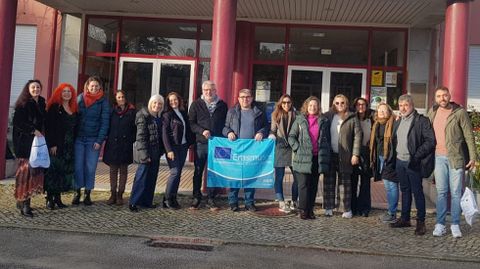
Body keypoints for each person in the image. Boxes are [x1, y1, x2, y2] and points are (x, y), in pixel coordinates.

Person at [428, 86, 477, 238]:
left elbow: (469, 135)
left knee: (456, 193)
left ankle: (455, 224)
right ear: (435, 98)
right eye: (438, 96)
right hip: (438, 157)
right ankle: (440, 224)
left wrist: (473, 157)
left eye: (444, 95)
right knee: (441, 192)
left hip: (455, 158)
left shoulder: (459, 112)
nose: (442, 98)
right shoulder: (432, 112)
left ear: (449, 96)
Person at [390, 94, 435, 236]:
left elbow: (430, 141)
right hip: (400, 161)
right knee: (405, 190)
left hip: (413, 162)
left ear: (412, 105)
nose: (403, 108)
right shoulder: (398, 121)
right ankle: (405, 218)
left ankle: (420, 222)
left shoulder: (422, 121)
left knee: (417, 192)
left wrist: (416, 156)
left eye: (406, 105)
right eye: (400, 105)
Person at [223, 88, 269, 212]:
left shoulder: (258, 112)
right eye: (242, 97)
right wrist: (229, 132)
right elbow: (225, 127)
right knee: (234, 177)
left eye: (247, 97)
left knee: (250, 177)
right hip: (236, 150)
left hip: (252, 150)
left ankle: (249, 202)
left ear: (251, 98)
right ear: (238, 99)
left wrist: (261, 132)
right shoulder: (232, 112)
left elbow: (266, 126)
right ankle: (233, 202)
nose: (245, 99)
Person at [288, 96, 330, 219]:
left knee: (313, 185)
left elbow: (326, 139)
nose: (313, 107)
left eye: (315, 105)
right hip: (301, 157)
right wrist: (297, 148)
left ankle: (310, 210)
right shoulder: (299, 120)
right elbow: (291, 136)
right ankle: (303, 210)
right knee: (303, 185)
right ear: (306, 106)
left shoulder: (323, 121)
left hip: (317, 158)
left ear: (318, 107)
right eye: (310, 105)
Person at [188, 80, 228, 210]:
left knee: (214, 172)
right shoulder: (196, 104)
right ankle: (196, 197)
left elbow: (226, 123)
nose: (209, 92)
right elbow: (191, 123)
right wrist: (202, 131)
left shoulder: (222, 105)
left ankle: (211, 198)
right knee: (198, 171)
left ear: (215, 91)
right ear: (202, 91)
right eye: (206, 90)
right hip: (202, 143)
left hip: (218, 143)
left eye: (211, 90)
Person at [73, 76, 110, 206]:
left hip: (93, 139)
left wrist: (99, 140)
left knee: (90, 167)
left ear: (100, 87)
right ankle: (77, 191)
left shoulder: (103, 102)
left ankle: (87, 193)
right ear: (87, 86)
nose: (94, 88)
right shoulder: (80, 98)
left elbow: (105, 122)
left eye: (96, 86)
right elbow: (73, 117)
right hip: (79, 139)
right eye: (91, 86)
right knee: (78, 166)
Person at [323, 94, 362, 218]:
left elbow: (358, 136)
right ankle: (328, 207)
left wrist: (355, 154)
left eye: (342, 103)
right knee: (329, 181)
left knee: (344, 183)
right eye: (337, 103)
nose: (340, 105)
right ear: (333, 104)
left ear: (346, 104)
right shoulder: (328, 116)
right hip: (330, 153)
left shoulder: (352, 117)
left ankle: (345, 208)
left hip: (345, 155)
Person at [12, 79, 46, 217]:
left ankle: (22, 201)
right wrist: (33, 130)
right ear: (28, 89)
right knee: (25, 174)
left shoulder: (42, 103)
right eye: (33, 87)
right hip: (25, 143)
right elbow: (18, 123)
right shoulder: (23, 103)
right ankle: (24, 204)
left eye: (38, 87)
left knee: (33, 174)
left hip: (37, 144)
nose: (36, 89)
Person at [44, 83, 78, 210]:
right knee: (53, 171)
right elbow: (49, 127)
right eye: (64, 91)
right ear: (59, 93)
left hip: (69, 145)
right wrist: (52, 144)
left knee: (63, 172)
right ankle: (49, 199)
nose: (67, 93)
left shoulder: (73, 108)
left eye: (69, 91)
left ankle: (58, 199)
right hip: (57, 145)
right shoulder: (54, 107)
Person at [129, 94, 165, 212]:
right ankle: (134, 202)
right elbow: (141, 137)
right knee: (141, 178)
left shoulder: (158, 117)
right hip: (145, 152)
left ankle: (146, 202)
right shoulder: (143, 116)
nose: (157, 105)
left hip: (155, 152)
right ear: (150, 103)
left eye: (160, 104)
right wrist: (145, 155)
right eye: (155, 103)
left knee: (151, 178)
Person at [103, 90, 136, 205]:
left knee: (123, 171)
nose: (121, 99)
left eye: (122, 97)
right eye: (118, 97)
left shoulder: (131, 112)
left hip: (125, 145)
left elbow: (135, 128)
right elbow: (107, 125)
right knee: (112, 171)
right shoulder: (111, 111)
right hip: (113, 144)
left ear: (125, 98)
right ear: (115, 99)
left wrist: (131, 139)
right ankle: (112, 194)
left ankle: (120, 195)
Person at [162, 92, 194, 209]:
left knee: (179, 173)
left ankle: (173, 198)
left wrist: (190, 143)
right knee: (174, 172)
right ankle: (167, 199)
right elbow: (164, 134)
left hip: (183, 146)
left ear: (179, 100)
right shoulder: (167, 115)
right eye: (171, 101)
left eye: (175, 100)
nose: (173, 102)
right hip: (173, 147)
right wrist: (168, 150)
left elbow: (187, 129)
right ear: (168, 103)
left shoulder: (182, 113)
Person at [268, 94, 299, 212]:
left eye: (289, 102)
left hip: (293, 149)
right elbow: (273, 130)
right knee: (280, 177)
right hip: (280, 148)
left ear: (291, 103)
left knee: (297, 177)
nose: (286, 105)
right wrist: (271, 135)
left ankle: (294, 200)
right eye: (284, 102)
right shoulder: (275, 114)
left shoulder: (296, 115)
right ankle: (280, 200)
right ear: (280, 103)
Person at [369, 102, 398, 223]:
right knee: (387, 186)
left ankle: (392, 213)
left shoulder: (394, 123)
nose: (382, 112)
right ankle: (391, 211)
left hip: (391, 158)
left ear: (389, 112)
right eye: (380, 110)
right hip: (380, 156)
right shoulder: (376, 124)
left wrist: (391, 158)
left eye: (385, 110)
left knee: (391, 185)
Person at [351, 97, 374, 217]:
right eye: (358, 105)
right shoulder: (351, 118)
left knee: (365, 183)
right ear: (355, 106)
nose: (361, 107)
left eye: (363, 104)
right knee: (353, 181)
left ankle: (364, 207)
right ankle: (353, 207)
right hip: (354, 153)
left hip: (367, 152)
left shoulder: (371, 118)